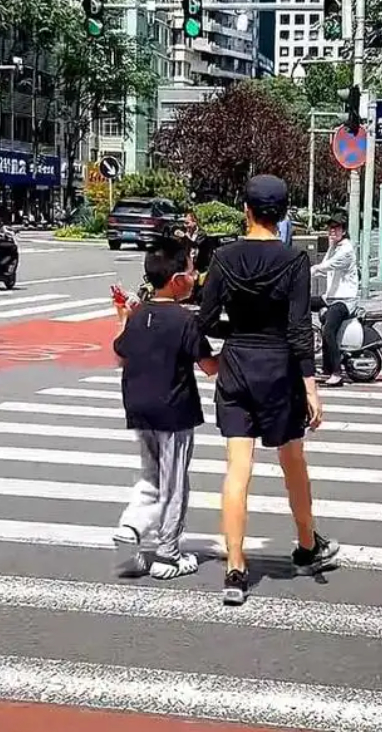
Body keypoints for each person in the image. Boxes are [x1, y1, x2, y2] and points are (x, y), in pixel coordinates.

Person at [198, 174, 339, 606]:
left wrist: (233, 339)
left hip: (238, 367)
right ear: (282, 214)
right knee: (292, 460)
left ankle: (235, 569)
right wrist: (311, 386)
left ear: (246, 210)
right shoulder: (294, 260)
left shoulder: (223, 258)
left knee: (237, 468)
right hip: (280, 370)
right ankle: (307, 546)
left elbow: (204, 321)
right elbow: (298, 329)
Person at [112, 237, 218, 580]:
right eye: (191, 270)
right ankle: (168, 555)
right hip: (174, 412)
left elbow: (120, 351)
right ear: (176, 280)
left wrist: (123, 316)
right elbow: (210, 367)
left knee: (152, 478)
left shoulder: (140, 314)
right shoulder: (184, 320)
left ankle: (132, 527)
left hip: (138, 409)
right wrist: (240, 351)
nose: (195, 276)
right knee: (174, 483)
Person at [310, 214, 359, 387]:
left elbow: (327, 266)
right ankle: (325, 366)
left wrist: (309, 271)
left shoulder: (346, 250)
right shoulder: (333, 246)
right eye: (330, 228)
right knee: (301, 304)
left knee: (328, 330)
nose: (332, 231)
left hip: (344, 300)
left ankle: (336, 373)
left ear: (343, 231)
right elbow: (323, 269)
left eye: (336, 228)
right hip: (330, 297)